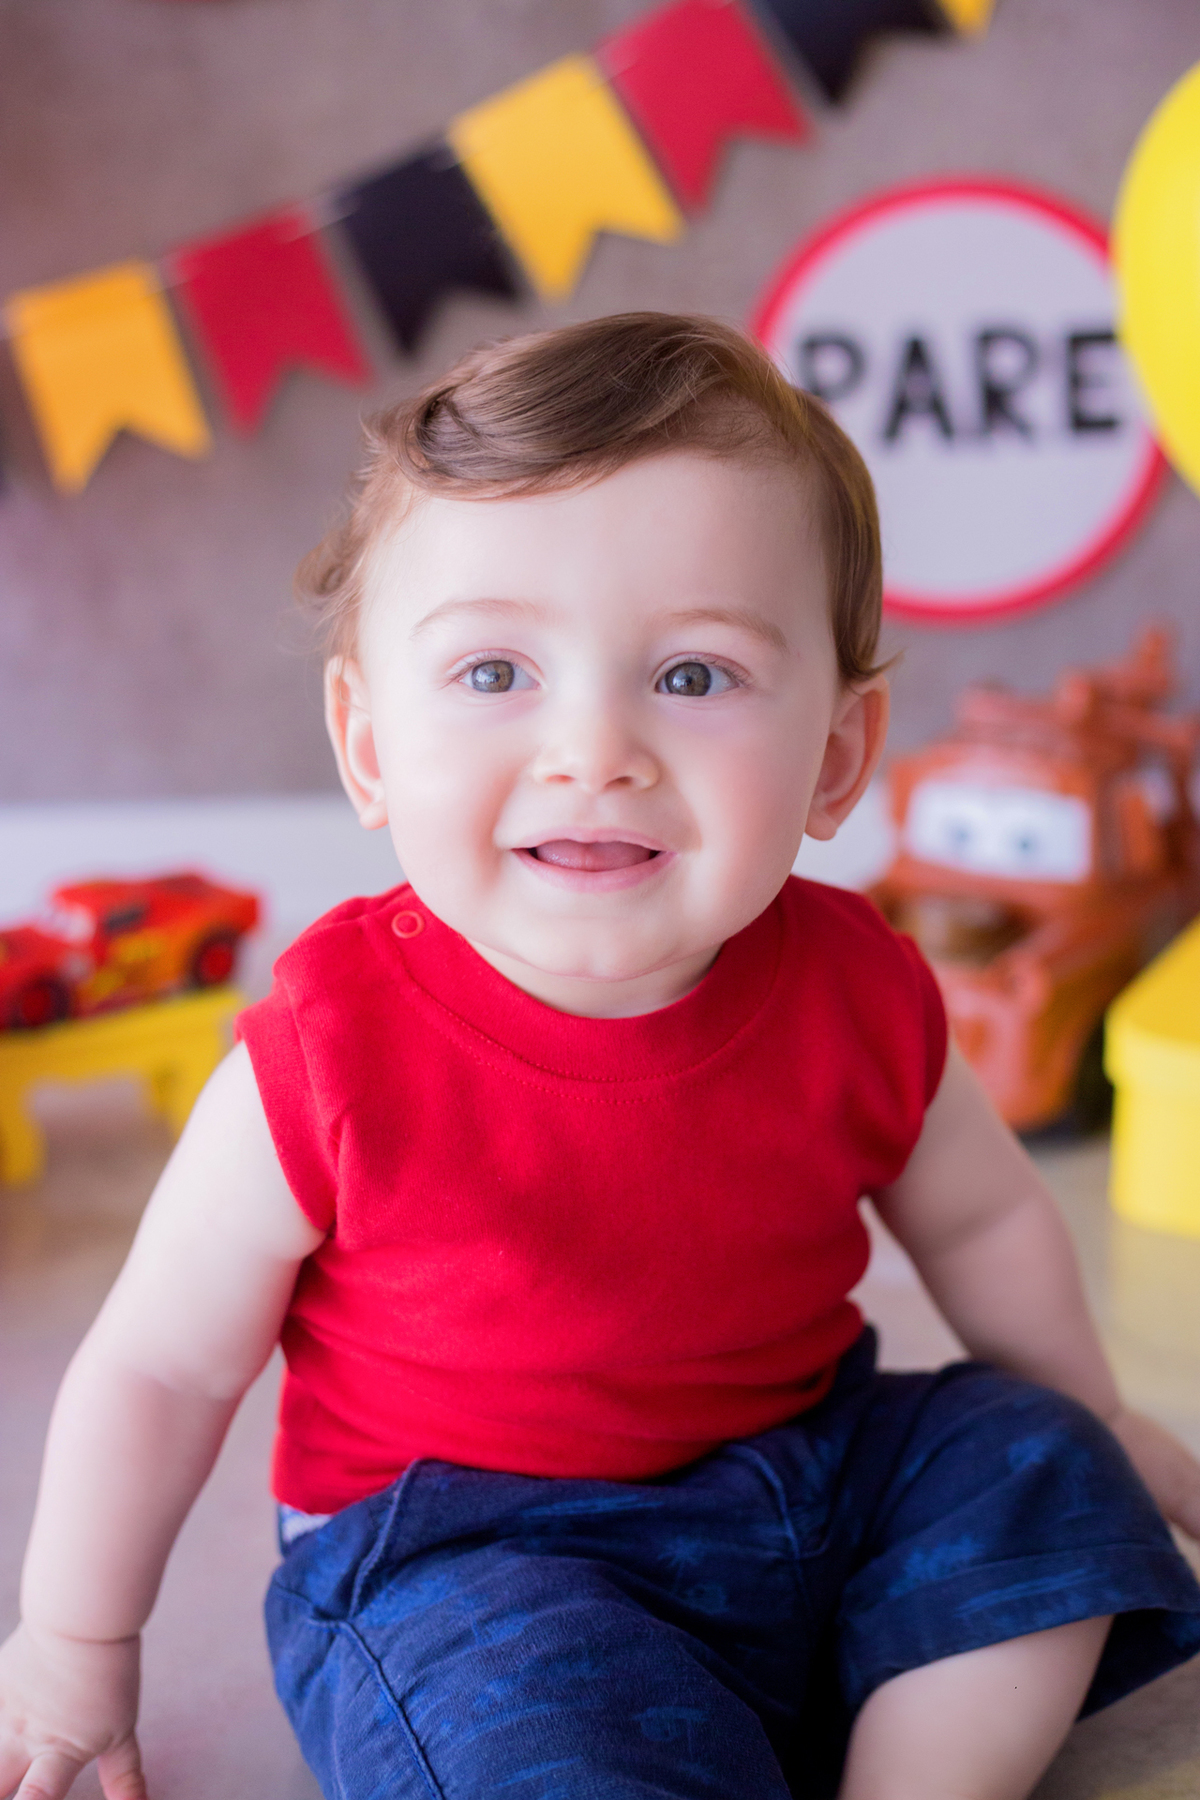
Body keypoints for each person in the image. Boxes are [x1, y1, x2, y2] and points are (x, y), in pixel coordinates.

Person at [1, 314, 1198, 1800]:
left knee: (1035, 1460)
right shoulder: (325, 1048)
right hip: (470, 1564)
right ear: (368, 746)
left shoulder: (861, 987)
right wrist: (75, 1641)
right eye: (495, 670)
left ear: (835, 758)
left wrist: (1097, 1412)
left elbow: (985, 1218)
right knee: (536, 1727)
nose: (594, 750)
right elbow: (162, 1365)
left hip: (810, 1480)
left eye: (692, 677)